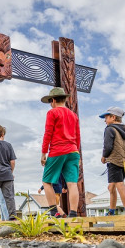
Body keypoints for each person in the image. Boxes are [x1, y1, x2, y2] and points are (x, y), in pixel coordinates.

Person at [40, 87, 81, 218]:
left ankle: (54, 212)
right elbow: (78, 135)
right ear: (64, 99)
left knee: (47, 181)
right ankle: (73, 213)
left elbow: (48, 133)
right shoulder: (74, 115)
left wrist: (43, 153)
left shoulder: (52, 113)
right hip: (73, 150)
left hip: (58, 150)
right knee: (72, 183)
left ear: (53, 100)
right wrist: (77, 152)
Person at [99, 106, 125, 215]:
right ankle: (111, 211)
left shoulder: (110, 129)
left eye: (106, 118)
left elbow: (108, 146)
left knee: (119, 185)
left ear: (113, 117)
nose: (105, 121)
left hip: (114, 160)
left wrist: (104, 156)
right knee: (111, 186)